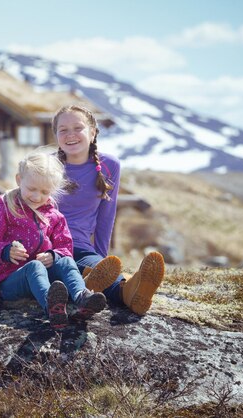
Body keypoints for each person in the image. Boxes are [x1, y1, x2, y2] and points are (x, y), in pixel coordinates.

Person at [0, 149, 121, 329]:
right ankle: (52, 307)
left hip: (43, 277)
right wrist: (6, 251)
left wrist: (54, 256)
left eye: (45, 192)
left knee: (67, 262)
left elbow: (65, 247)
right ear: (19, 180)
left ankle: (82, 297)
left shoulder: (54, 216)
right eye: (32, 189)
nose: (37, 197)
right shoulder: (7, 207)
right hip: (9, 280)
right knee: (35, 266)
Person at [52, 104, 165, 315]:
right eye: (63, 130)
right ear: (56, 135)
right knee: (62, 268)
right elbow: (24, 212)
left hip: (81, 247)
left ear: (93, 132)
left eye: (78, 128)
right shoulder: (46, 165)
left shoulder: (108, 165)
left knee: (96, 270)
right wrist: (5, 266)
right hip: (47, 247)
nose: (71, 135)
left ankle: (131, 292)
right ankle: (96, 283)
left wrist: (102, 261)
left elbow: (106, 215)